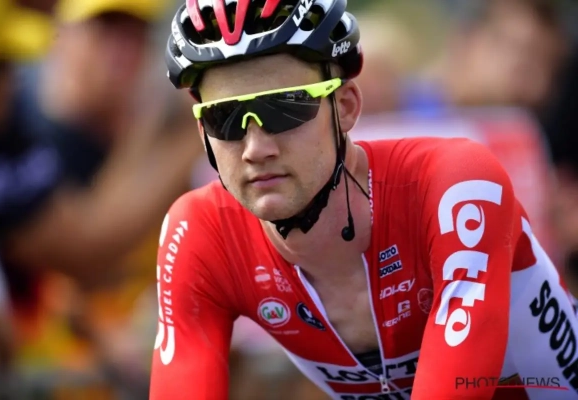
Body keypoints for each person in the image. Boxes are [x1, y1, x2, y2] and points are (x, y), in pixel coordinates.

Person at [150, 1, 578, 399]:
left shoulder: (454, 186)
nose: (256, 148)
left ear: (347, 106)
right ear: (203, 132)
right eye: (224, 118)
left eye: (286, 108)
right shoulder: (199, 233)